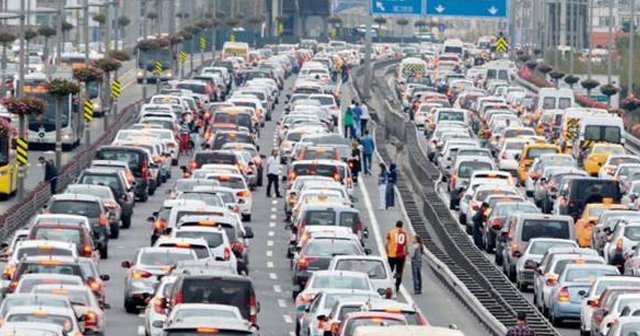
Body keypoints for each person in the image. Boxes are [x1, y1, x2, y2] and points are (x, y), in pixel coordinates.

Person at [386, 220, 409, 293]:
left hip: (391, 255)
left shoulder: (391, 232)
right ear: (402, 226)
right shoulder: (404, 234)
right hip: (400, 255)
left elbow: (386, 244)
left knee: (390, 270)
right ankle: (397, 285)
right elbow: (406, 245)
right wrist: (405, 253)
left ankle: (389, 283)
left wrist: (387, 252)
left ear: (396, 225)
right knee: (399, 271)